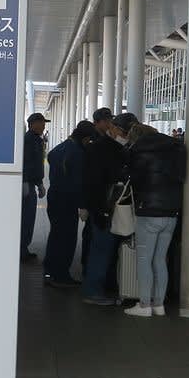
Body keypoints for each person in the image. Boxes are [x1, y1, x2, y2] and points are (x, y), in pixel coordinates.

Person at [120, 120, 186, 317]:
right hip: (171, 211)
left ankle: (144, 305)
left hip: (148, 211)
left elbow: (130, 177)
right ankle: (159, 304)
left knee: (144, 259)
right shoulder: (176, 148)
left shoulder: (138, 151)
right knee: (160, 259)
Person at [81, 109, 129, 305]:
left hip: (106, 207)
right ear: (113, 128)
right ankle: (93, 291)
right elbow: (94, 181)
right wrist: (95, 208)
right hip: (104, 207)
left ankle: (99, 287)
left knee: (104, 249)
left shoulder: (106, 148)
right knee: (101, 249)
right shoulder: (104, 149)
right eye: (124, 132)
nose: (125, 137)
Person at [43, 120, 94, 287]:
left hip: (55, 196)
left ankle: (49, 271)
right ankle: (61, 275)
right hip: (68, 199)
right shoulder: (78, 152)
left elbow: (50, 156)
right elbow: (78, 182)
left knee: (56, 235)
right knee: (67, 238)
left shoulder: (62, 146)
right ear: (85, 138)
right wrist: (83, 205)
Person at [21, 112, 48, 260]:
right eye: (42, 122)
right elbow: (27, 163)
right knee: (26, 217)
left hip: (32, 183)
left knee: (29, 217)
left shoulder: (36, 139)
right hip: (27, 184)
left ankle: (24, 248)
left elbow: (37, 164)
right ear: (33, 124)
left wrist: (40, 184)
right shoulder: (28, 140)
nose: (44, 125)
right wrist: (26, 181)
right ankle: (22, 250)